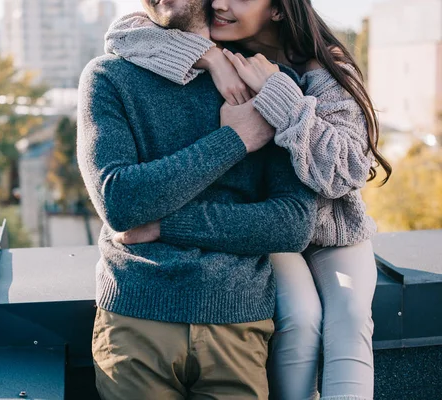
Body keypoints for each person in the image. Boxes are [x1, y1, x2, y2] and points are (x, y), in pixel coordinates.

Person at [105, 1, 393, 399]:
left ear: (277, 9)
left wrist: (281, 95)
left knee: (351, 316)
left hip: (331, 230)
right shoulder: (219, 51)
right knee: (300, 317)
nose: (221, 3)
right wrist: (208, 58)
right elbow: (123, 34)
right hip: (265, 227)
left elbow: (344, 172)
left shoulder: (324, 69)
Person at [76, 0, 318, 398]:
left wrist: (164, 224)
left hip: (236, 325)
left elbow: (292, 223)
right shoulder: (108, 75)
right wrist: (234, 140)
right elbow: (119, 202)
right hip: (135, 320)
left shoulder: (268, 83)